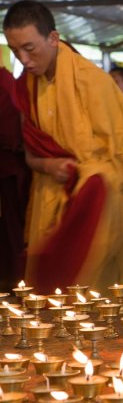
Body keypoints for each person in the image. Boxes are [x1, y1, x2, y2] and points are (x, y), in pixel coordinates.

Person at [3, 0, 123, 303]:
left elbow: (122, 164)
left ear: (53, 38)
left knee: (99, 298)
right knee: (51, 301)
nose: (24, 60)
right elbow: (30, 155)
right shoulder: (28, 86)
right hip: (50, 203)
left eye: (30, 48)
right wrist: (48, 166)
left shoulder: (94, 83)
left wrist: (87, 181)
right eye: (15, 51)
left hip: (101, 212)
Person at [0, 66, 31, 291]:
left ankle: (13, 281)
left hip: (9, 167)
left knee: (10, 231)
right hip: (11, 164)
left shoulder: (5, 82)